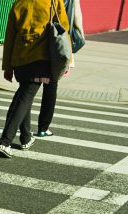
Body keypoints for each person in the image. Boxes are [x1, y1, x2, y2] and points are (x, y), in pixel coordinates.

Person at [0, 0, 71, 158]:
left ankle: (25, 137)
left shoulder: (18, 4)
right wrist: (67, 60)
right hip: (41, 57)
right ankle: (5, 141)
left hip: (21, 58)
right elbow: (64, 29)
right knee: (25, 96)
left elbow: (9, 36)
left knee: (25, 95)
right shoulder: (52, 1)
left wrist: (7, 66)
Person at [34, 0, 83, 137]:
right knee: (51, 84)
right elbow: (75, 24)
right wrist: (70, 57)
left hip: (36, 44)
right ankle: (43, 127)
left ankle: (22, 128)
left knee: (28, 88)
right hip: (58, 44)